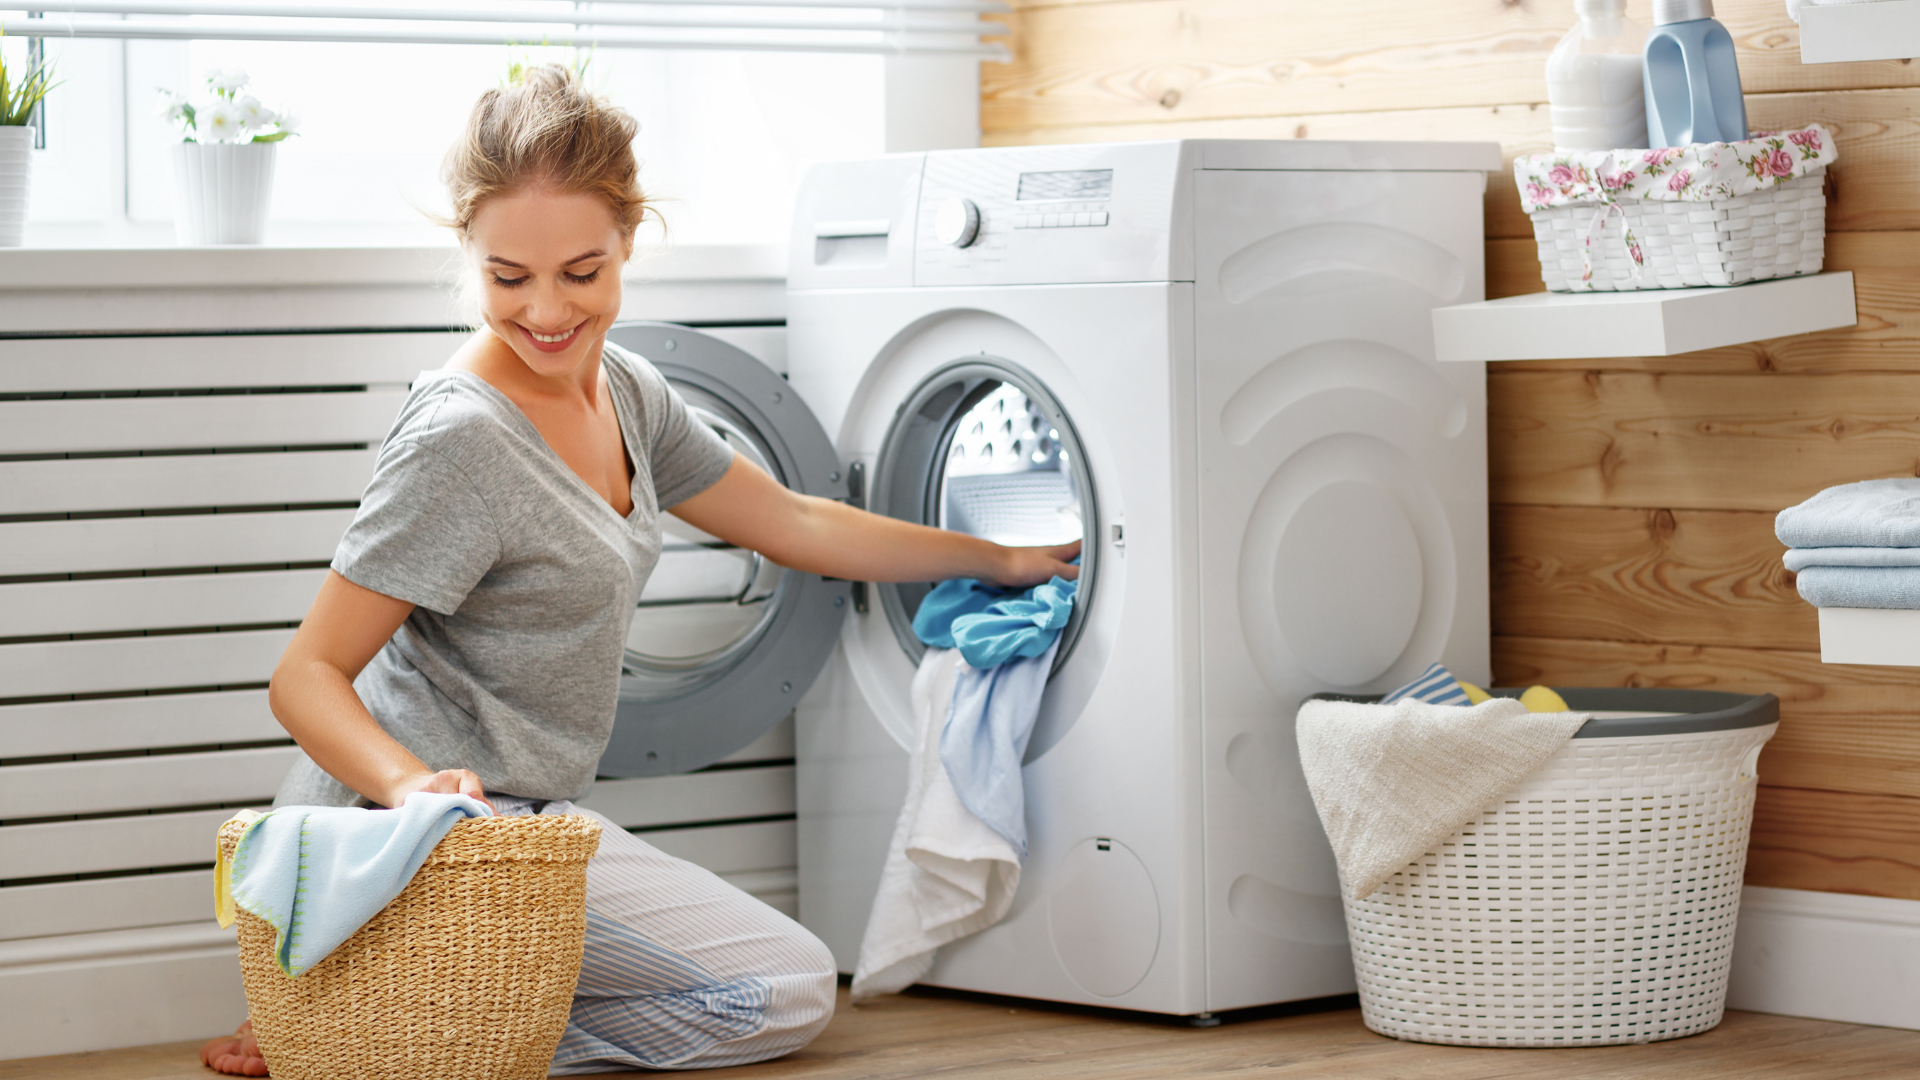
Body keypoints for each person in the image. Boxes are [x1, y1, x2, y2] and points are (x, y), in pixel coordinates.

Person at [200, 64, 1078, 1077]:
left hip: (533, 830)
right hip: (414, 836)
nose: (543, 312)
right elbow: (303, 676)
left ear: (629, 239)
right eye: (506, 277)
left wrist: (1000, 555)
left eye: (581, 272)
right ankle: (387, 1024)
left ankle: (398, 1033)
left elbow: (792, 521)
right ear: (469, 256)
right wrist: (412, 789)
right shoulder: (460, 439)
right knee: (782, 992)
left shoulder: (626, 390)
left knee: (781, 984)